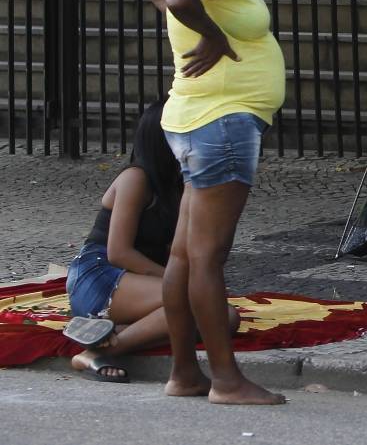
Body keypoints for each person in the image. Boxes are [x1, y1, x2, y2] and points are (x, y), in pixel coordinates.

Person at [144, 0, 286, 405]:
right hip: (219, 124)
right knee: (207, 257)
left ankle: (184, 374)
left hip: (199, 119)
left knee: (185, 256)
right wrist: (211, 35)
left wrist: (198, 29)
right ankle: (226, 379)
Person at [64, 102, 239, 383]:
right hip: (100, 275)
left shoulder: (181, 184)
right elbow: (118, 252)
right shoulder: (136, 178)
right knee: (201, 306)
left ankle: (115, 334)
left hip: (137, 278)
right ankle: (98, 351)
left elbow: (179, 250)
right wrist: (175, 280)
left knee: (225, 318)